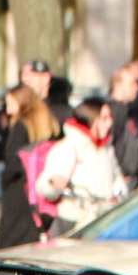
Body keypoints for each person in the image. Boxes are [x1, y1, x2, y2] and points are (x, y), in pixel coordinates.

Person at [37, 96, 124, 234]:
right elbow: (44, 185)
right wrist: (53, 183)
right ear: (91, 119)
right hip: (74, 222)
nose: (109, 123)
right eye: (104, 118)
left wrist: (118, 197)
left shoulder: (106, 149)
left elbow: (117, 179)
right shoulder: (69, 147)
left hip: (103, 219)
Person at [0, 83, 55, 251]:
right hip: (37, 188)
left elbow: (13, 160)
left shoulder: (20, 126)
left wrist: (5, 179)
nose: (8, 108)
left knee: (8, 244)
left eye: (11, 102)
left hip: (18, 190)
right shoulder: (47, 122)